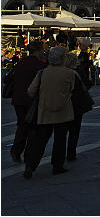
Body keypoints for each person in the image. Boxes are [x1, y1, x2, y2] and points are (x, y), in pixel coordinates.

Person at [24, 46, 76, 178]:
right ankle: (57, 166)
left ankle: (31, 165)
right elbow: (72, 90)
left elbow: (30, 91)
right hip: (63, 111)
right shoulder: (69, 73)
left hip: (44, 111)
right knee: (60, 140)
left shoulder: (42, 73)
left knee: (40, 141)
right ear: (63, 58)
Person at [10, 40, 46, 164]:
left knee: (22, 125)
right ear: (38, 50)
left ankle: (16, 150)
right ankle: (27, 154)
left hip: (18, 99)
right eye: (42, 49)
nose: (43, 52)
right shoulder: (39, 65)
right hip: (31, 100)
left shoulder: (21, 62)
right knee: (32, 128)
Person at [64, 51, 94, 162]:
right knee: (74, 131)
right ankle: (71, 154)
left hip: (62, 104)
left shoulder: (60, 71)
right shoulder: (78, 71)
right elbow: (87, 84)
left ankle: (58, 156)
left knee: (61, 132)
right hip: (76, 104)